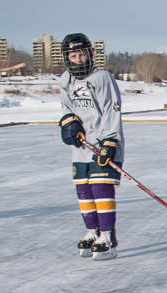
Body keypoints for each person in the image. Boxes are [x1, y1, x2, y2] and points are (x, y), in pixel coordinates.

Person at [57, 32, 125, 261]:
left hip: (104, 142)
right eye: (73, 56)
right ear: (67, 58)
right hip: (81, 146)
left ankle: (107, 237)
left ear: (89, 55)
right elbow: (66, 108)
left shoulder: (102, 78)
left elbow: (112, 110)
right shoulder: (65, 79)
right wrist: (68, 124)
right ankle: (92, 231)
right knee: (83, 190)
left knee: (100, 188)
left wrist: (109, 141)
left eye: (81, 55)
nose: (77, 59)